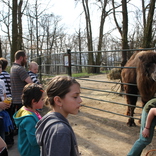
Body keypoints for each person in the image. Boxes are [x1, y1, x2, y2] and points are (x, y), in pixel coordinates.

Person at [35, 75, 82, 156]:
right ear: (58, 101)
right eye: (75, 97)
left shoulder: (49, 119)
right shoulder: (60, 131)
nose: (80, 100)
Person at [13, 83, 45, 156]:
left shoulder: (28, 110)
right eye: (42, 99)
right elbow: (34, 141)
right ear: (33, 101)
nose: (43, 101)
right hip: (31, 152)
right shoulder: (29, 119)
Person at [10, 50, 33, 115]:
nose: (25, 61)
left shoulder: (13, 68)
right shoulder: (20, 69)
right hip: (21, 101)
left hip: (15, 100)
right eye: (25, 58)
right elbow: (31, 83)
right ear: (21, 58)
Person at [0, 58, 14, 148]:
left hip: (1, 115)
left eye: (0, 67)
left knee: (3, 139)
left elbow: (4, 95)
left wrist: (6, 103)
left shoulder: (1, 82)